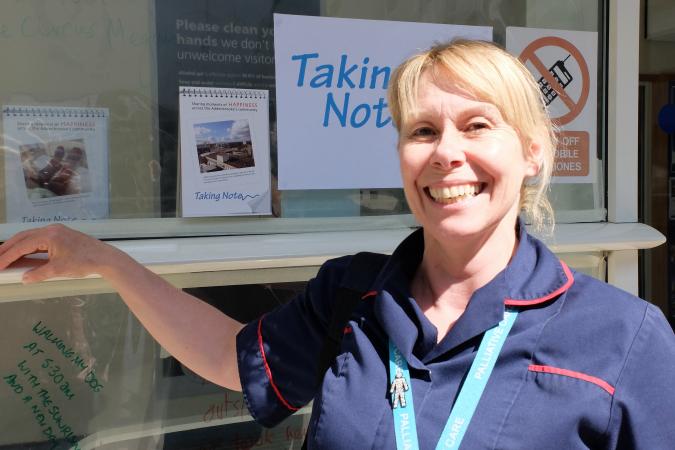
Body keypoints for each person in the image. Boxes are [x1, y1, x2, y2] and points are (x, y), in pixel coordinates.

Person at [0, 40, 674, 449]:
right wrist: (104, 260)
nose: (447, 155)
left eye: (475, 126)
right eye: (421, 132)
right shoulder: (351, 294)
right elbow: (232, 359)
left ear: (530, 153)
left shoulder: (622, 337)